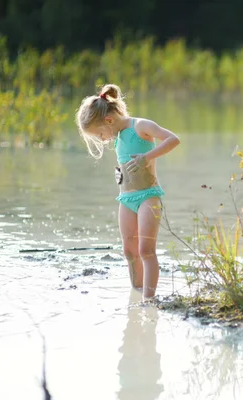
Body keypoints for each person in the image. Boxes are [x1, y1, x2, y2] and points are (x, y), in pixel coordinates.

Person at [75, 84, 180, 302]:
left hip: (148, 197)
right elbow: (126, 164)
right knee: (130, 251)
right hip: (126, 199)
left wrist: (147, 157)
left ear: (109, 120)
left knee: (146, 250)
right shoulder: (119, 137)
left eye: (100, 134)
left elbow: (173, 140)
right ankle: (136, 293)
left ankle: (149, 301)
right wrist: (120, 176)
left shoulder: (141, 126)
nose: (103, 139)